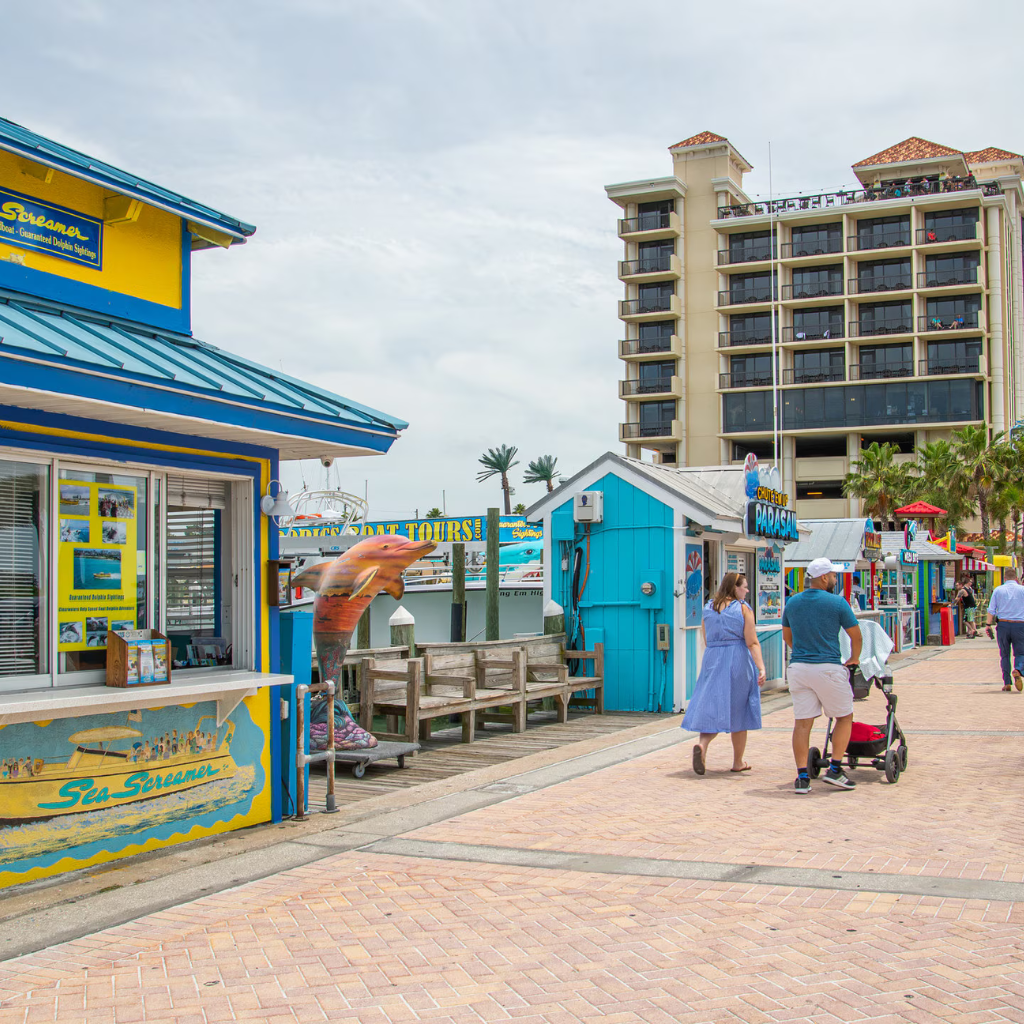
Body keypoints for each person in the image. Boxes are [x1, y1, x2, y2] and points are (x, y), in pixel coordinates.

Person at [782, 558, 863, 793]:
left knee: (802, 723)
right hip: (827, 666)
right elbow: (855, 635)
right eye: (834, 576)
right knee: (844, 716)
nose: (836, 580)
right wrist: (854, 658)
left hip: (798, 667)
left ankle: (802, 777)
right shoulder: (837, 602)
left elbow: (788, 637)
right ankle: (835, 769)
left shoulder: (792, 603)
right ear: (825, 577)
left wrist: (801, 650)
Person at [682, 572, 767, 775]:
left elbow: (706, 638)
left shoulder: (708, 608)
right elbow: (752, 642)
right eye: (744, 587)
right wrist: (761, 667)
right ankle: (738, 762)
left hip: (712, 658)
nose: (746, 591)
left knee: (712, 706)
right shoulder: (743, 609)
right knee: (740, 710)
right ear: (734, 587)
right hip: (737, 658)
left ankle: (702, 745)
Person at [985, 567, 1024, 692]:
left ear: (1004, 578)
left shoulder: (998, 590)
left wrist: (987, 625)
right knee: (1020, 653)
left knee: (1004, 654)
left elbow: (991, 610)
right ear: (1016, 578)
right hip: (1020, 625)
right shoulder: (1022, 590)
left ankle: (1007, 683)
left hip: (1003, 625)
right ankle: (1018, 669)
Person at [956, 574, 978, 638]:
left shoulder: (962, 590)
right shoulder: (968, 589)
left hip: (969, 607)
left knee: (967, 621)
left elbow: (957, 599)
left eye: (957, 585)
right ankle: (972, 631)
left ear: (961, 585)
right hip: (970, 606)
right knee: (969, 620)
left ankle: (972, 631)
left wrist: (951, 604)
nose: (956, 587)